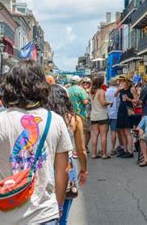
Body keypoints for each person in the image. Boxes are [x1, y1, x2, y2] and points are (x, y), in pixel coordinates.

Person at [0, 60, 72, 224]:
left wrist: (0, 185)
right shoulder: (55, 120)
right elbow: (63, 171)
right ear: (42, 85)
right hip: (43, 215)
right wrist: (59, 204)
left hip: (1, 215)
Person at [46, 84, 88, 225]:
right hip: (67, 167)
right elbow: (81, 150)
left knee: (43, 212)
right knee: (62, 214)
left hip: (45, 166)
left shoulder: (44, 118)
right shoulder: (74, 119)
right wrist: (84, 169)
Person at [89, 75, 111, 159]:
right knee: (103, 135)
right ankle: (104, 154)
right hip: (102, 115)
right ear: (101, 82)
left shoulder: (91, 91)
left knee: (95, 134)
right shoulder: (101, 91)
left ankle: (94, 154)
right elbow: (103, 103)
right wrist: (109, 102)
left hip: (94, 116)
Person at [115, 76, 138, 158]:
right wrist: (118, 89)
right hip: (121, 110)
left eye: (123, 81)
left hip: (128, 110)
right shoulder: (121, 89)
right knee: (121, 131)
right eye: (121, 81)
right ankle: (125, 150)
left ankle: (130, 151)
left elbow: (136, 100)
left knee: (127, 132)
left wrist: (129, 99)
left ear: (127, 82)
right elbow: (115, 95)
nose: (121, 82)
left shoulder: (132, 89)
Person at [68, 75, 90, 152]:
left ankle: (73, 149)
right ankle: (82, 148)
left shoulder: (68, 90)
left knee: (72, 132)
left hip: (70, 114)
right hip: (81, 114)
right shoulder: (80, 90)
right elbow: (85, 101)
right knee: (83, 132)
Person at [106, 78, 121, 155]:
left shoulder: (106, 91)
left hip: (106, 113)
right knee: (114, 131)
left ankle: (104, 148)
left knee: (104, 133)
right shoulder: (118, 91)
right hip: (115, 113)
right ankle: (113, 148)